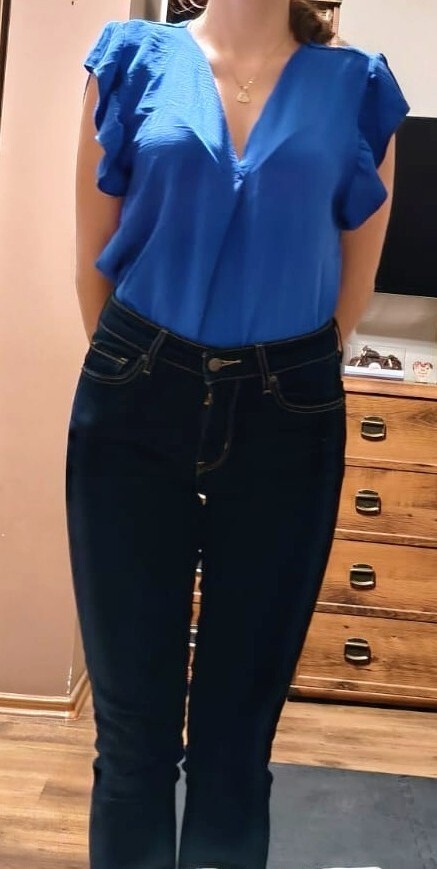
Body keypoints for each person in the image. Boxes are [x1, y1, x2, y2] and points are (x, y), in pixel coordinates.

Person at [66, 1, 410, 868]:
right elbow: (92, 259)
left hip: (284, 410)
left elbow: (352, 284)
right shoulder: (129, 61)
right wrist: (147, 373)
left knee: (236, 740)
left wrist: (276, 379)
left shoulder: (358, 88)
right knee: (133, 734)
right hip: (137, 393)